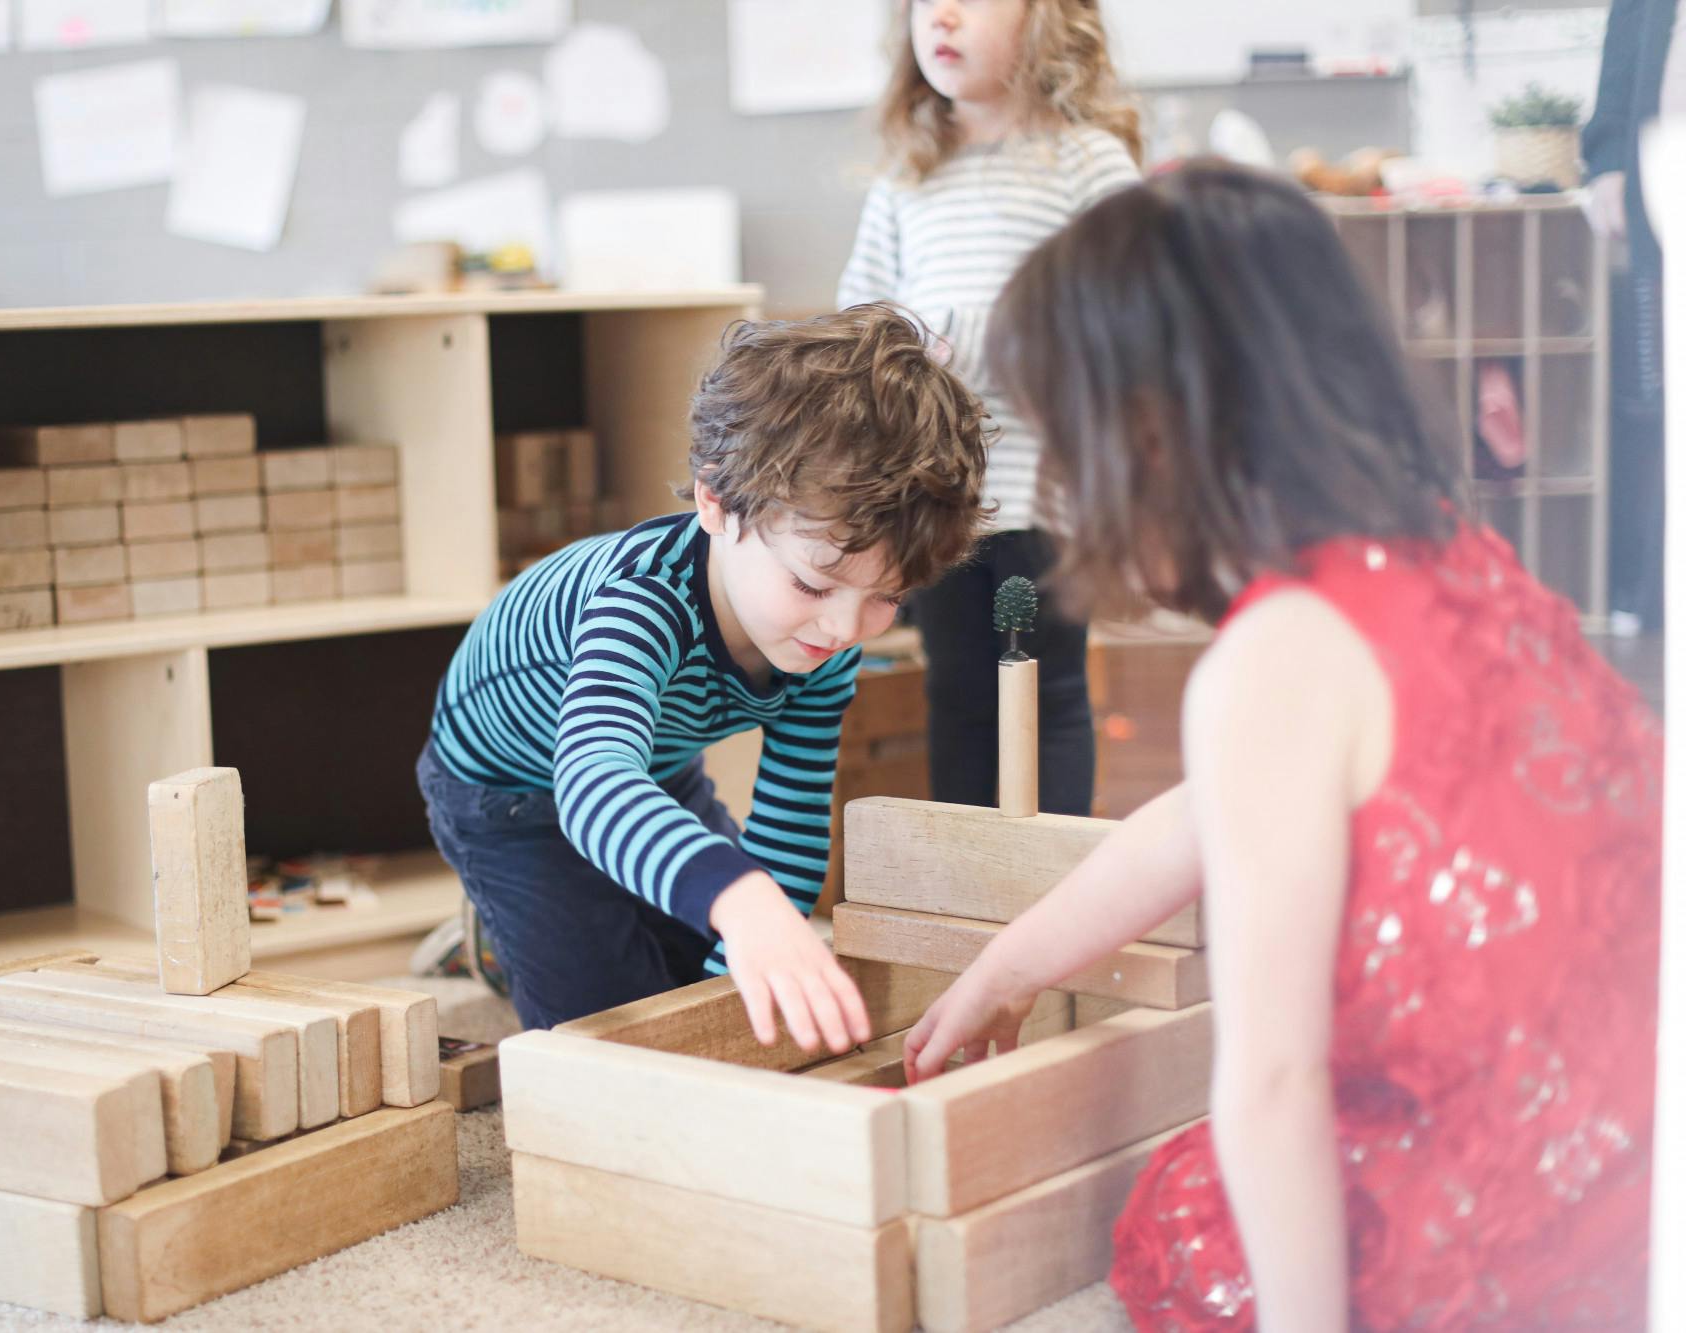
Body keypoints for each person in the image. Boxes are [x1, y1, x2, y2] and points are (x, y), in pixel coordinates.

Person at [905, 162, 1662, 1330]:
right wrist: (1011, 963)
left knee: (1191, 1217)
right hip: (1639, 1175)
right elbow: (1207, 815)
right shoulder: (1446, 553)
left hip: (1508, 1220)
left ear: (1150, 444)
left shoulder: (1272, 661)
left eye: (1065, 451)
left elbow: (1271, 1087)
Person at [419, 304, 990, 1047]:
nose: (846, 629)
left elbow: (790, 821)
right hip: (511, 796)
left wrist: (735, 982)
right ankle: (496, 937)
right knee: (613, 1039)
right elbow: (592, 784)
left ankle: (593, 932)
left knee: (715, 980)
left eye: (887, 597)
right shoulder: (640, 602)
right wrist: (739, 899)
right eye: (814, 586)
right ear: (716, 503)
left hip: (655, 769)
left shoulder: (825, 639)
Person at [837, 0, 1142, 816]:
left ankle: (1047, 897)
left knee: (1044, 691)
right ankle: (970, 897)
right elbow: (860, 318)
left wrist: (967, 338)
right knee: (962, 696)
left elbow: (1128, 321)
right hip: (939, 507)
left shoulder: (1087, 163)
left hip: (1046, 502)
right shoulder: (910, 176)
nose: (940, 15)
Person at [1584, 0, 1675, 633]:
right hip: (1665, 183)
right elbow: (1628, 40)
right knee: (1658, 400)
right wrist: (1608, 160)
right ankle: (1649, 592)